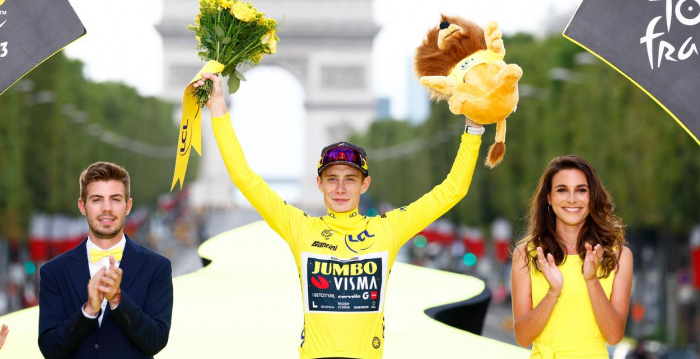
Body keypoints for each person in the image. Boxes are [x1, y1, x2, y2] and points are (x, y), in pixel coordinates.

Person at [194, 72, 483, 359]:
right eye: (332, 179)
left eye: (350, 179)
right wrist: (218, 107)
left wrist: (474, 128)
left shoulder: (389, 228)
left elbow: (453, 190)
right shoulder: (300, 228)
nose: (341, 188)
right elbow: (244, 178)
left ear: (365, 184)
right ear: (319, 184)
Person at [38, 162, 173, 359]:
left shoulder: (157, 267)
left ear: (128, 206)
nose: (107, 208)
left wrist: (118, 300)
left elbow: (156, 341)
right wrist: (88, 311)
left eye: (115, 199)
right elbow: (50, 349)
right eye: (97, 199)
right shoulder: (53, 271)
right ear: (82, 206)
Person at [511, 155, 633, 358]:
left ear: (592, 196)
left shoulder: (619, 256)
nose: (572, 199)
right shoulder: (525, 255)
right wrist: (553, 293)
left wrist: (592, 279)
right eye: (562, 190)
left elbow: (614, 335)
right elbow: (523, 337)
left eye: (581, 190)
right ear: (549, 198)